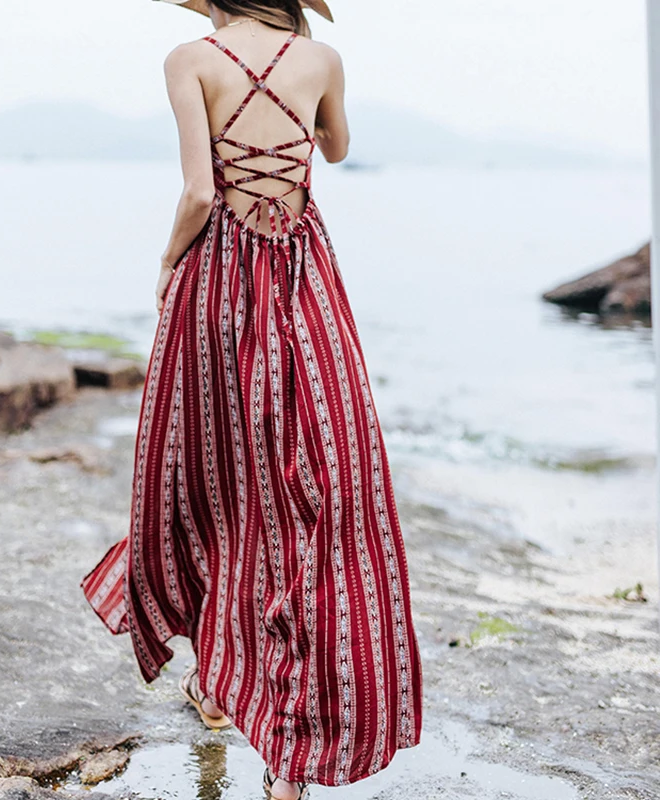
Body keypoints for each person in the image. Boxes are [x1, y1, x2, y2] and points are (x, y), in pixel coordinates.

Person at [80, 1, 423, 797]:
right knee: (307, 491)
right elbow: (335, 150)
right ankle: (289, 752)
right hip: (302, 284)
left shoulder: (188, 59)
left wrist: (168, 262)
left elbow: (201, 193)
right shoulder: (323, 59)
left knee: (209, 480)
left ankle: (217, 684)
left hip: (220, 288)